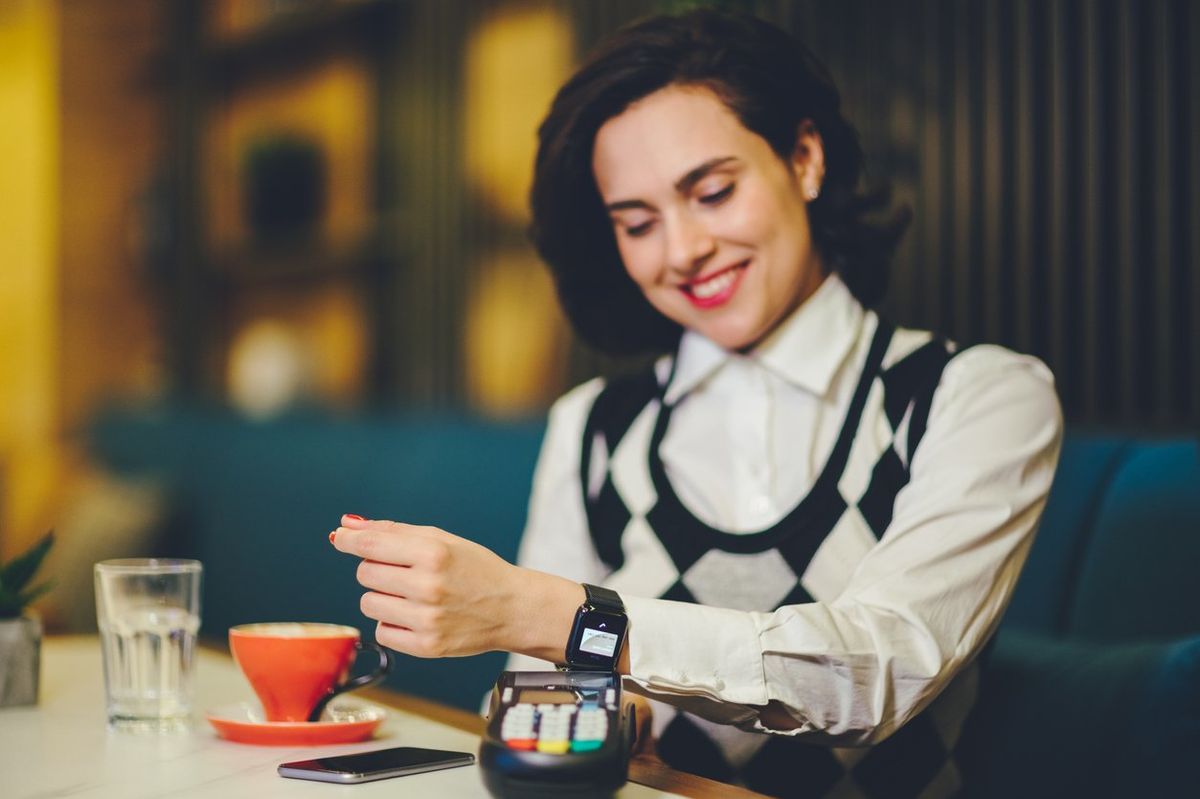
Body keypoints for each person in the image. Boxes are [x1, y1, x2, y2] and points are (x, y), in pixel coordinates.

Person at [330, 9, 1062, 797]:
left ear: (805, 158)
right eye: (638, 223)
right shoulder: (596, 429)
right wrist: (615, 713)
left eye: (712, 192)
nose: (682, 251)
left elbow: (879, 666)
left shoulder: (975, 396)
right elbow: (534, 706)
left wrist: (539, 609)